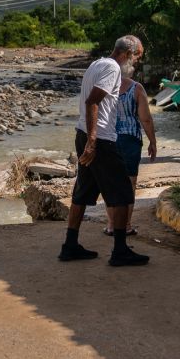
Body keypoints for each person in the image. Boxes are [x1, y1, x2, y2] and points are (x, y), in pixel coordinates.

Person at [59, 35, 149, 266]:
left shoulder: (97, 63)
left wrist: (88, 139)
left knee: (82, 193)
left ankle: (70, 246)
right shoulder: (112, 69)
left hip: (84, 133)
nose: (136, 63)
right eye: (136, 58)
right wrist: (92, 141)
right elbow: (92, 101)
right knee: (122, 194)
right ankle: (120, 251)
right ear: (128, 54)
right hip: (100, 139)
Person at [103, 64, 157, 237]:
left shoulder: (104, 87)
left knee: (111, 183)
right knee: (129, 184)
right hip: (130, 139)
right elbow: (146, 119)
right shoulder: (136, 88)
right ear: (130, 72)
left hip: (108, 138)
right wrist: (152, 141)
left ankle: (111, 225)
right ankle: (125, 225)